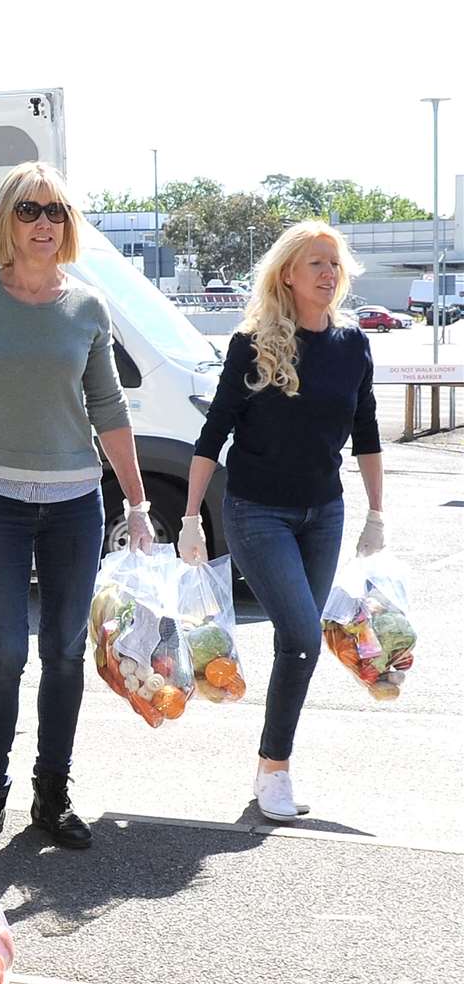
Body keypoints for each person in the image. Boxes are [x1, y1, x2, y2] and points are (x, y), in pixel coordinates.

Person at [0, 161, 152, 856]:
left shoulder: (87, 308)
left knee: (66, 653)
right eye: (29, 211)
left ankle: (53, 793)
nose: (44, 222)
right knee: (7, 652)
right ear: (6, 222)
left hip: (76, 501)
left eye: (55, 212)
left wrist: (136, 503)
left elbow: (107, 405)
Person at [178, 220, 384, 822]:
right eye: (316, 263)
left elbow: (367, 430)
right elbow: (213, 432)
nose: (328, 274)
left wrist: (377, 512)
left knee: (297, 642)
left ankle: (272, 763)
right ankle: (275, 768)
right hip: (255, 510)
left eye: (336, 265)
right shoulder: (254, 343)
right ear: (288, 275)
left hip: (325, 511)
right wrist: (190, 516)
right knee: (300, 636)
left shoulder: (353, 345)